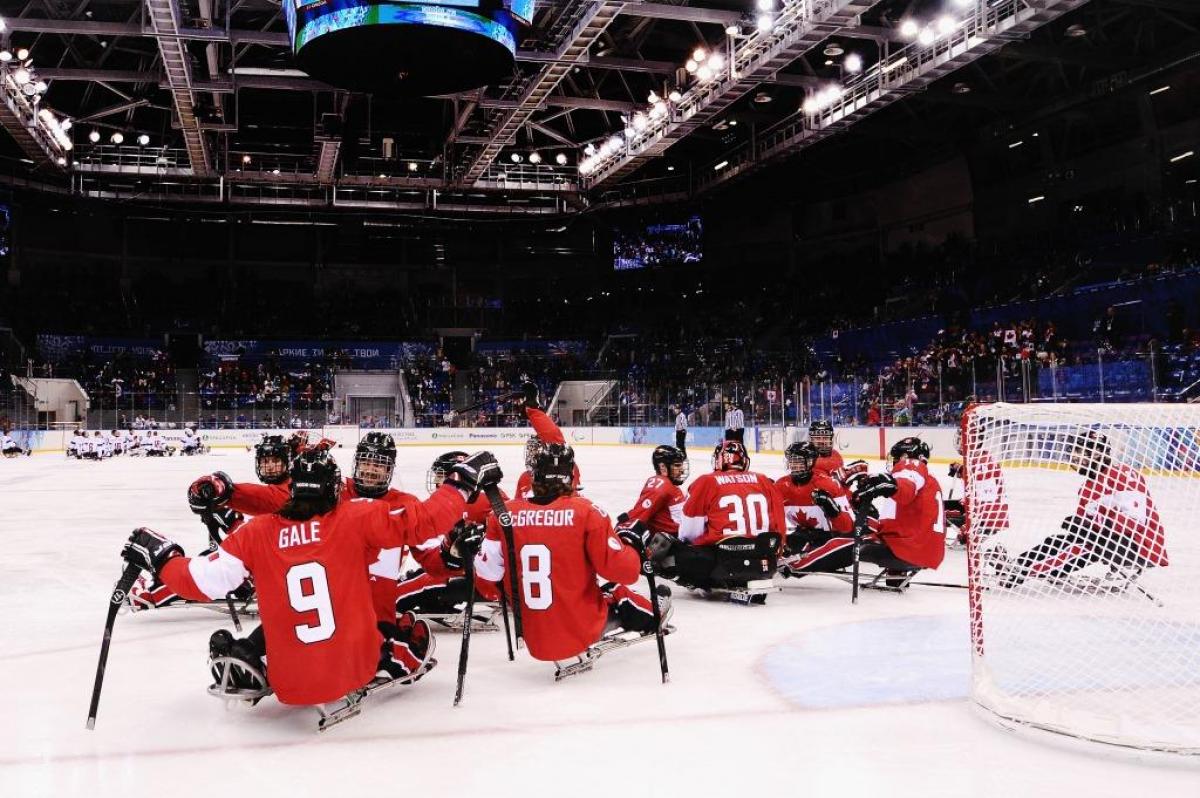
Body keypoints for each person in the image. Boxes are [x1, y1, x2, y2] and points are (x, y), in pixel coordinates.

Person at [119, 447, 501, 708]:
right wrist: (460, 484)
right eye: (365, 464)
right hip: (354, 641)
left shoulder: (261, 530)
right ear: (341, 481)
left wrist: (165, 558)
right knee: (414, 640)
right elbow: (427, 524)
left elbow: (204, 580)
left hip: (291, 671)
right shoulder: (356, 515)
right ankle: (377, 658)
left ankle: (252, 655)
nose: (370, 472)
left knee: (284, 604)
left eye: (379, 465)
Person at [465, 442, 664, 664]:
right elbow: (625, 572)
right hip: (580, 632)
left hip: (533, 636)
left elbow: (488, 577)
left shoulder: (502, 515)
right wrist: (632, 546)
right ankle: (656, 611)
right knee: (618, 590)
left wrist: (472, 550)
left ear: (534, 475)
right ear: (571, 475)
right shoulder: (587, 513)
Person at [990, 430, 1166, 587]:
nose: (1073, 457)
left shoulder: (1122, 475)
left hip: (1140, 547)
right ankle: (1020, 564)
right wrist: (1082, 526)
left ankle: (1018, 573)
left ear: (1096, 453)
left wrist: (1088, 528)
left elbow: (1134, 523)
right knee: (1058, 540)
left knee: (1082, 546)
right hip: (1114, 541)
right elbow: (1087, 527)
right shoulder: (1089, 486)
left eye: (1079, 451)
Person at [784, 437, 946, 578]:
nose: (894, 461)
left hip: (908, 548)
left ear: (904, 456)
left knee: (842, 543)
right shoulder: (930, 481)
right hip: (927, 550)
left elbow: (905, 489)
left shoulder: (911, 465)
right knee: (863, 525)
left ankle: (795, 565)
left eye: (896, 457)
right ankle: (897, 572)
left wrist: (890, 485)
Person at [646, 440, 784, 594]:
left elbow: (690, 531)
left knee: (664, 546)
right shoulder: (765, 481)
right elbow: (779, 526)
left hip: (721, 565)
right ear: (744, 461)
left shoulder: (707, 481)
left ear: (718, 460)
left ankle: (697, 581)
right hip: (765, 564)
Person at [775, 442, 853, 561]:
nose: (795, 466)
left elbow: (848, 527)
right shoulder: (781, 485)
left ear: (810, 462)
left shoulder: (828, 484)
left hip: (831, 538)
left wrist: (832, 509)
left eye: (799, 462)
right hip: (803, 535)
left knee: (798, 563)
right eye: (792, 462)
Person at [514, 382, 581, 498]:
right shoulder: (567, 466)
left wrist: (529, 406)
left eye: (534, 451)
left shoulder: (527, 478)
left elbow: (555, 440)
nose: (531, 455)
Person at [623, 445, 688, 537]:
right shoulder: (660, 486)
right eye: (677, 465)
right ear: (662, 467)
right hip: (671, 546)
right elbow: (637, 517)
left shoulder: (672, 486)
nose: (682, 470)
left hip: (679, 540)